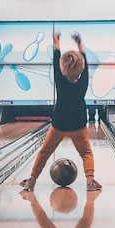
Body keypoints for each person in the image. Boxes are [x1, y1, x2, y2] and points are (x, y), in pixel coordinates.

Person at [20, 31, 102, 192]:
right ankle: (90, 181)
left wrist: (56, 42)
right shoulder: (84, 80)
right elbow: (84, 61)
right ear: (82, 68)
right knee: (86, 153)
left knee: (44, 152)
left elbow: (56, 58)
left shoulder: (59, 79)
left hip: (59, 124)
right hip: (78, 124)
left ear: (61, 69)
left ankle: (32, 180)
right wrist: (79, 43)